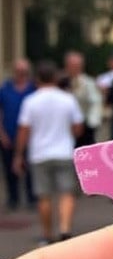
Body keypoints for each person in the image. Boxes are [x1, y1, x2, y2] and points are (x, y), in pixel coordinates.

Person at [13, 60, 83, 244]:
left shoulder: (30, 101)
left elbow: (24, 130)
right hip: (63, 151)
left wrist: (18, 154)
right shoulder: (67, 99)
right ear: (55, 77)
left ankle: (47, 234)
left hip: (39, 153)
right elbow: (77, 127)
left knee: (44, 196)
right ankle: (65, 228)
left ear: (37, 78)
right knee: (66, 193)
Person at [0, 57, 37, 210]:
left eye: (24, 71)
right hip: (8, 135)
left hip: (30, 136)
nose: (21, 74)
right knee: (9, 170)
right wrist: (2, 134)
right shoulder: (5, 89)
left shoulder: (34, 89)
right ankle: (13, 199)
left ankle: (31, 199)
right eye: (19, 71)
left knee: (30, 170)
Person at [64, 50, 103, 146]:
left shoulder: (88, 83)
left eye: (77, 66)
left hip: (84, 128)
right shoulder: (62, 81)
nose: (74, 68)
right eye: (71, 65)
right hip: (65, 128)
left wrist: (91, 124)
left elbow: (95, 103)